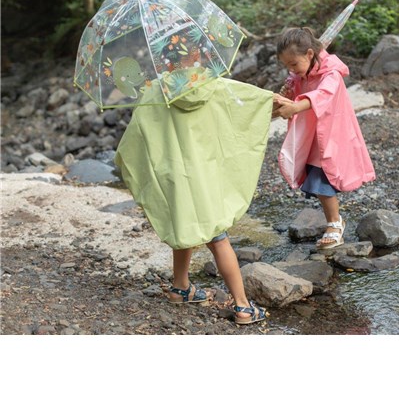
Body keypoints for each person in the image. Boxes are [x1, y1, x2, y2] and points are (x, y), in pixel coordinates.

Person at [115, 76, 272, 325]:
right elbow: (242, 108)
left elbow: (134, 139)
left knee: (183, 222)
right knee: (218, 237)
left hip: (173, 173)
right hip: (203, 174)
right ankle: (243, 306)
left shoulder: (154, 90)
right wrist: (273, 101)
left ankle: (181, 287)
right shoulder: (210, 85)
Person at [272, 27, 375, 249]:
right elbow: (296, 95)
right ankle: (333, 221)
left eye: (293, 64)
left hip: (331, 136)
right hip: (312, 138)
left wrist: (295, 106)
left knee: (322, 181)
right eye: (287, 66)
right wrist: (285, 96)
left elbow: (322, 95)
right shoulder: (300, 74)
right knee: (316, 178)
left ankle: (335, 224)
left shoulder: (331, 74)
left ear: (310, 54)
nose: (291, 69)